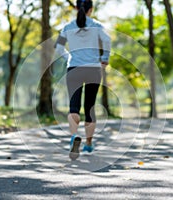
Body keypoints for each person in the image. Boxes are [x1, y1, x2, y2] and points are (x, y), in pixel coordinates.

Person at [55, 0, 111, 160]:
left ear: (76, 8)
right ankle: (88, 143)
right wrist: (104, 58)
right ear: (90, 10)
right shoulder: (98, 26)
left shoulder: (67, 27)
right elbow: (107, 40)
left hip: (74, 69)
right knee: (90, 107)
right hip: (93, 69)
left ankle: (74, 136)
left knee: (74, 107)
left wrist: (68, 58)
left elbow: (58, 47)